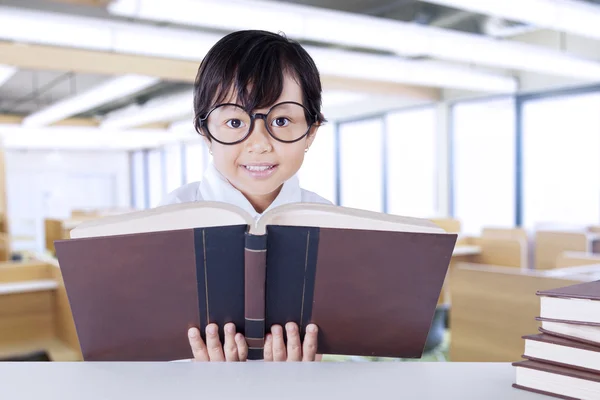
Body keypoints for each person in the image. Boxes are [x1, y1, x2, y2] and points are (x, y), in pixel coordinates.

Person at [159, 29, 332, 362]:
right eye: (235, 122)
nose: (259, 143)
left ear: (310, 131)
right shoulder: (168, 218)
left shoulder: (331, 222)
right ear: (205, 132)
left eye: (281, 119)